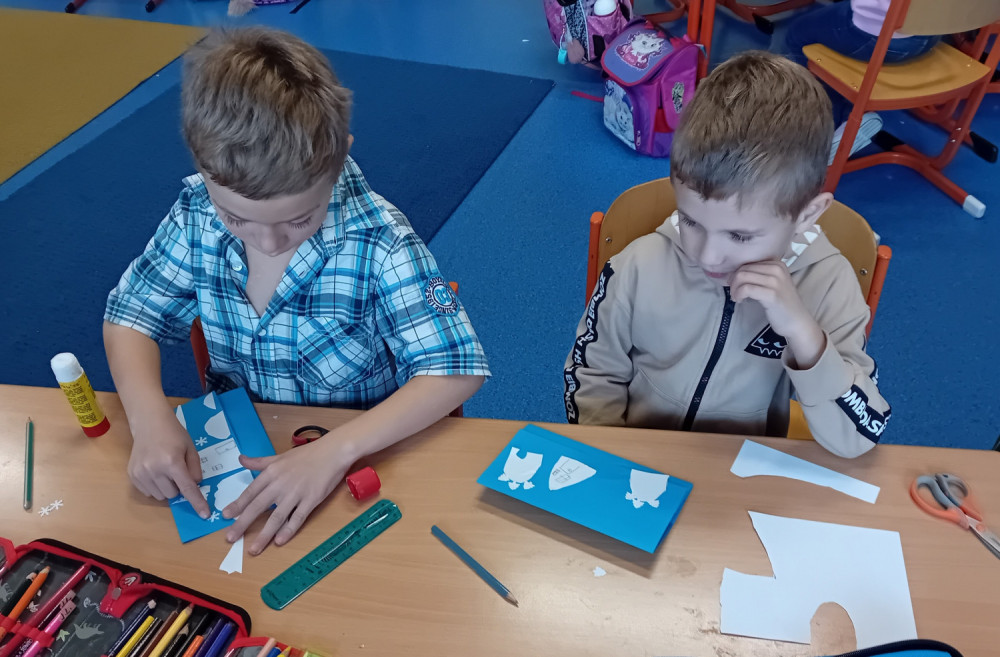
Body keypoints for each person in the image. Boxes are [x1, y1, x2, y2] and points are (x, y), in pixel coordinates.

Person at [104, 27, 489, 555]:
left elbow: (456, 369)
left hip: (353, 457)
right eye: (236, 218)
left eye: (299, 218)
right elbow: (131, 314)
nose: (267, 242)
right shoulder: (195, 212)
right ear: (203, 169)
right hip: (246, 451)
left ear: (339, 158)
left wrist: (336, 450)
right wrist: (148, 419)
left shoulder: (381, 243)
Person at [563, 51, 890, 458]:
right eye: (690, 221)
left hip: (741, 475)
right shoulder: (638, 266)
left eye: (739, 236)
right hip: (633, 464)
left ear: (807, 215)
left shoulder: (827, 284)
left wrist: (804, 335)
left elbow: (858, 437)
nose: (709, 256)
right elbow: (592, 376)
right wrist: (610, 460)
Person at [783, 0, 941, 161]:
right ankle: (849, 116)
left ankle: (832, 126)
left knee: (797, 35)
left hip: (882, 36)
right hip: (932, 33)